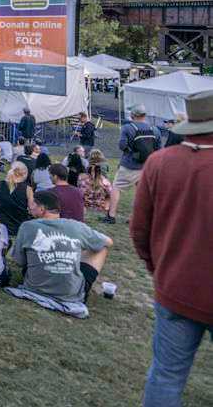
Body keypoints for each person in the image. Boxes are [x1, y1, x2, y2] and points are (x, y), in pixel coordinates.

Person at [131, 90, 213, 406]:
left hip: (175, 286)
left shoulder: (160, 162)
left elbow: (139, 230)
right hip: (177, 284)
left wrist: (158, 267)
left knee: (166, 376)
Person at [11, 190, 112, 307]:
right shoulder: (76, 226)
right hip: (70, 295)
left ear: (42, 209)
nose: (29, 206)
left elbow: (19, 261)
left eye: (32, 204)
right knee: (101, 248)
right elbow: (108, 242)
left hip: (35, 287)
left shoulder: (27, 226)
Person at [109, 104, 160, 224]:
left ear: (133, 115)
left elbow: (122, 145)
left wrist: (131, 152)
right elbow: (158, 149)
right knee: (140, 192)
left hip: (129, 164)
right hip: (146, 166)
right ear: (144, 115)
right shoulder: (155, 129)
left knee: (116, 188)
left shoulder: (128, 128)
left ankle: (111, 215)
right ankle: (134, 218)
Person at [0, 161, 32, 236]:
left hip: (1, 226)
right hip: (19, 226)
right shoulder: (28, 189)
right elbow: (31, 209)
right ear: (24, 174)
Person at [78, 150, 116, 217]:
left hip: (86, 205)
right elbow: (111, 195)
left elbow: (79, 194)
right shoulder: (105, 182)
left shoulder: (82, 181)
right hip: (101, 206)